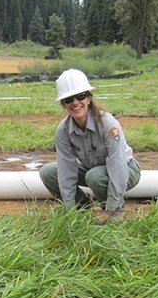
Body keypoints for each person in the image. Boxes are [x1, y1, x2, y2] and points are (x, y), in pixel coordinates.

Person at [39, 69, 141, 223]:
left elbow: (117, 165)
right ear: (63, 104)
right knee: (48, 172)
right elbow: (66, 170)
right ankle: (82, 208)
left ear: (88, 98)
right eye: (68, 99)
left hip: (125, 169)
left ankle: (115, 212)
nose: (75, 102)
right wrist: (70, 210)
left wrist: (114, 207)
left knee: (94, 176)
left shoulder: (107, 123)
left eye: (80, 96)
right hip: (91, 170)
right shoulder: (63, 130)